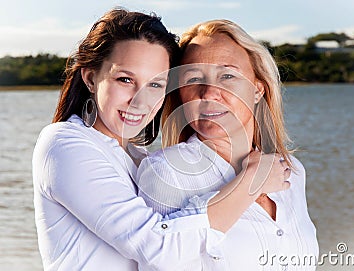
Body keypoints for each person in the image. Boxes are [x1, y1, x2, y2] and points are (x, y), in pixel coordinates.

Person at [32, 9, 290, 271]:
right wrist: (251, 182)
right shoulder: (64, 143)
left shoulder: (136, 158)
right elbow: (160, 248)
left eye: (155, 84)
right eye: (125, 79)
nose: (140, 99)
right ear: (90, 78)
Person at [137, 19, 319, 270]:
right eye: (193, 78)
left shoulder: (292, 171)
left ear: (258, 89)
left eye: (227, 75)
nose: (209, 93)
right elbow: (159, 258)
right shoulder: (166, 172)